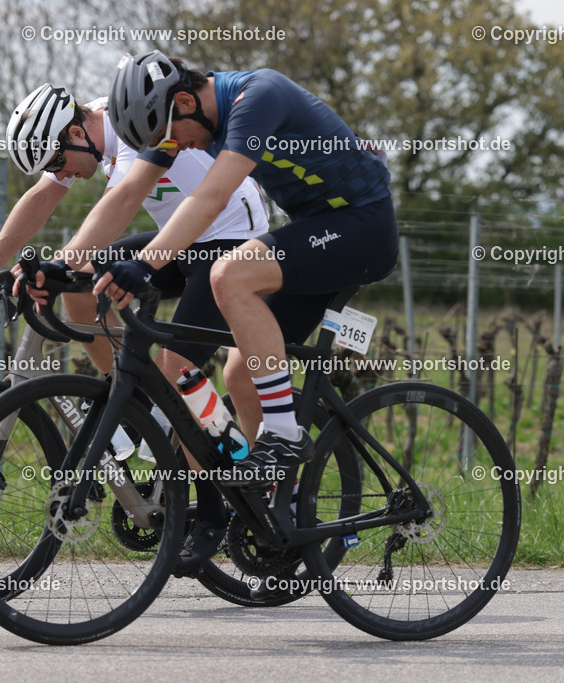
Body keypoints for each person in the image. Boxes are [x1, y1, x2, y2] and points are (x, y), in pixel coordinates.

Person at [0, 83, 270, 573]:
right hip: (177, 238)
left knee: (178, 366)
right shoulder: (81, 132)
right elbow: (43, 195)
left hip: (227, 235)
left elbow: (120, 201)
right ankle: (136, 404)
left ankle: (210, 510)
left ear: (77, 132)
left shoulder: (126, 124)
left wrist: (53, 264)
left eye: (58, 161)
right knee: (80, 285)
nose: (61, 175)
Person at [73, 52, 397, 493]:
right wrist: (66, 261)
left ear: (185, 103)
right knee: (240, 372)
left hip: (363, 227)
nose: (178, 147)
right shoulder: (182, 118)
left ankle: (284, 436)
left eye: (172, 137)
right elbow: (130, 191)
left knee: (229, 275)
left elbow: (211, 198)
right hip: (315, 232)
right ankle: (276, 508)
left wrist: (146, 262)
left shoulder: (258, 97)